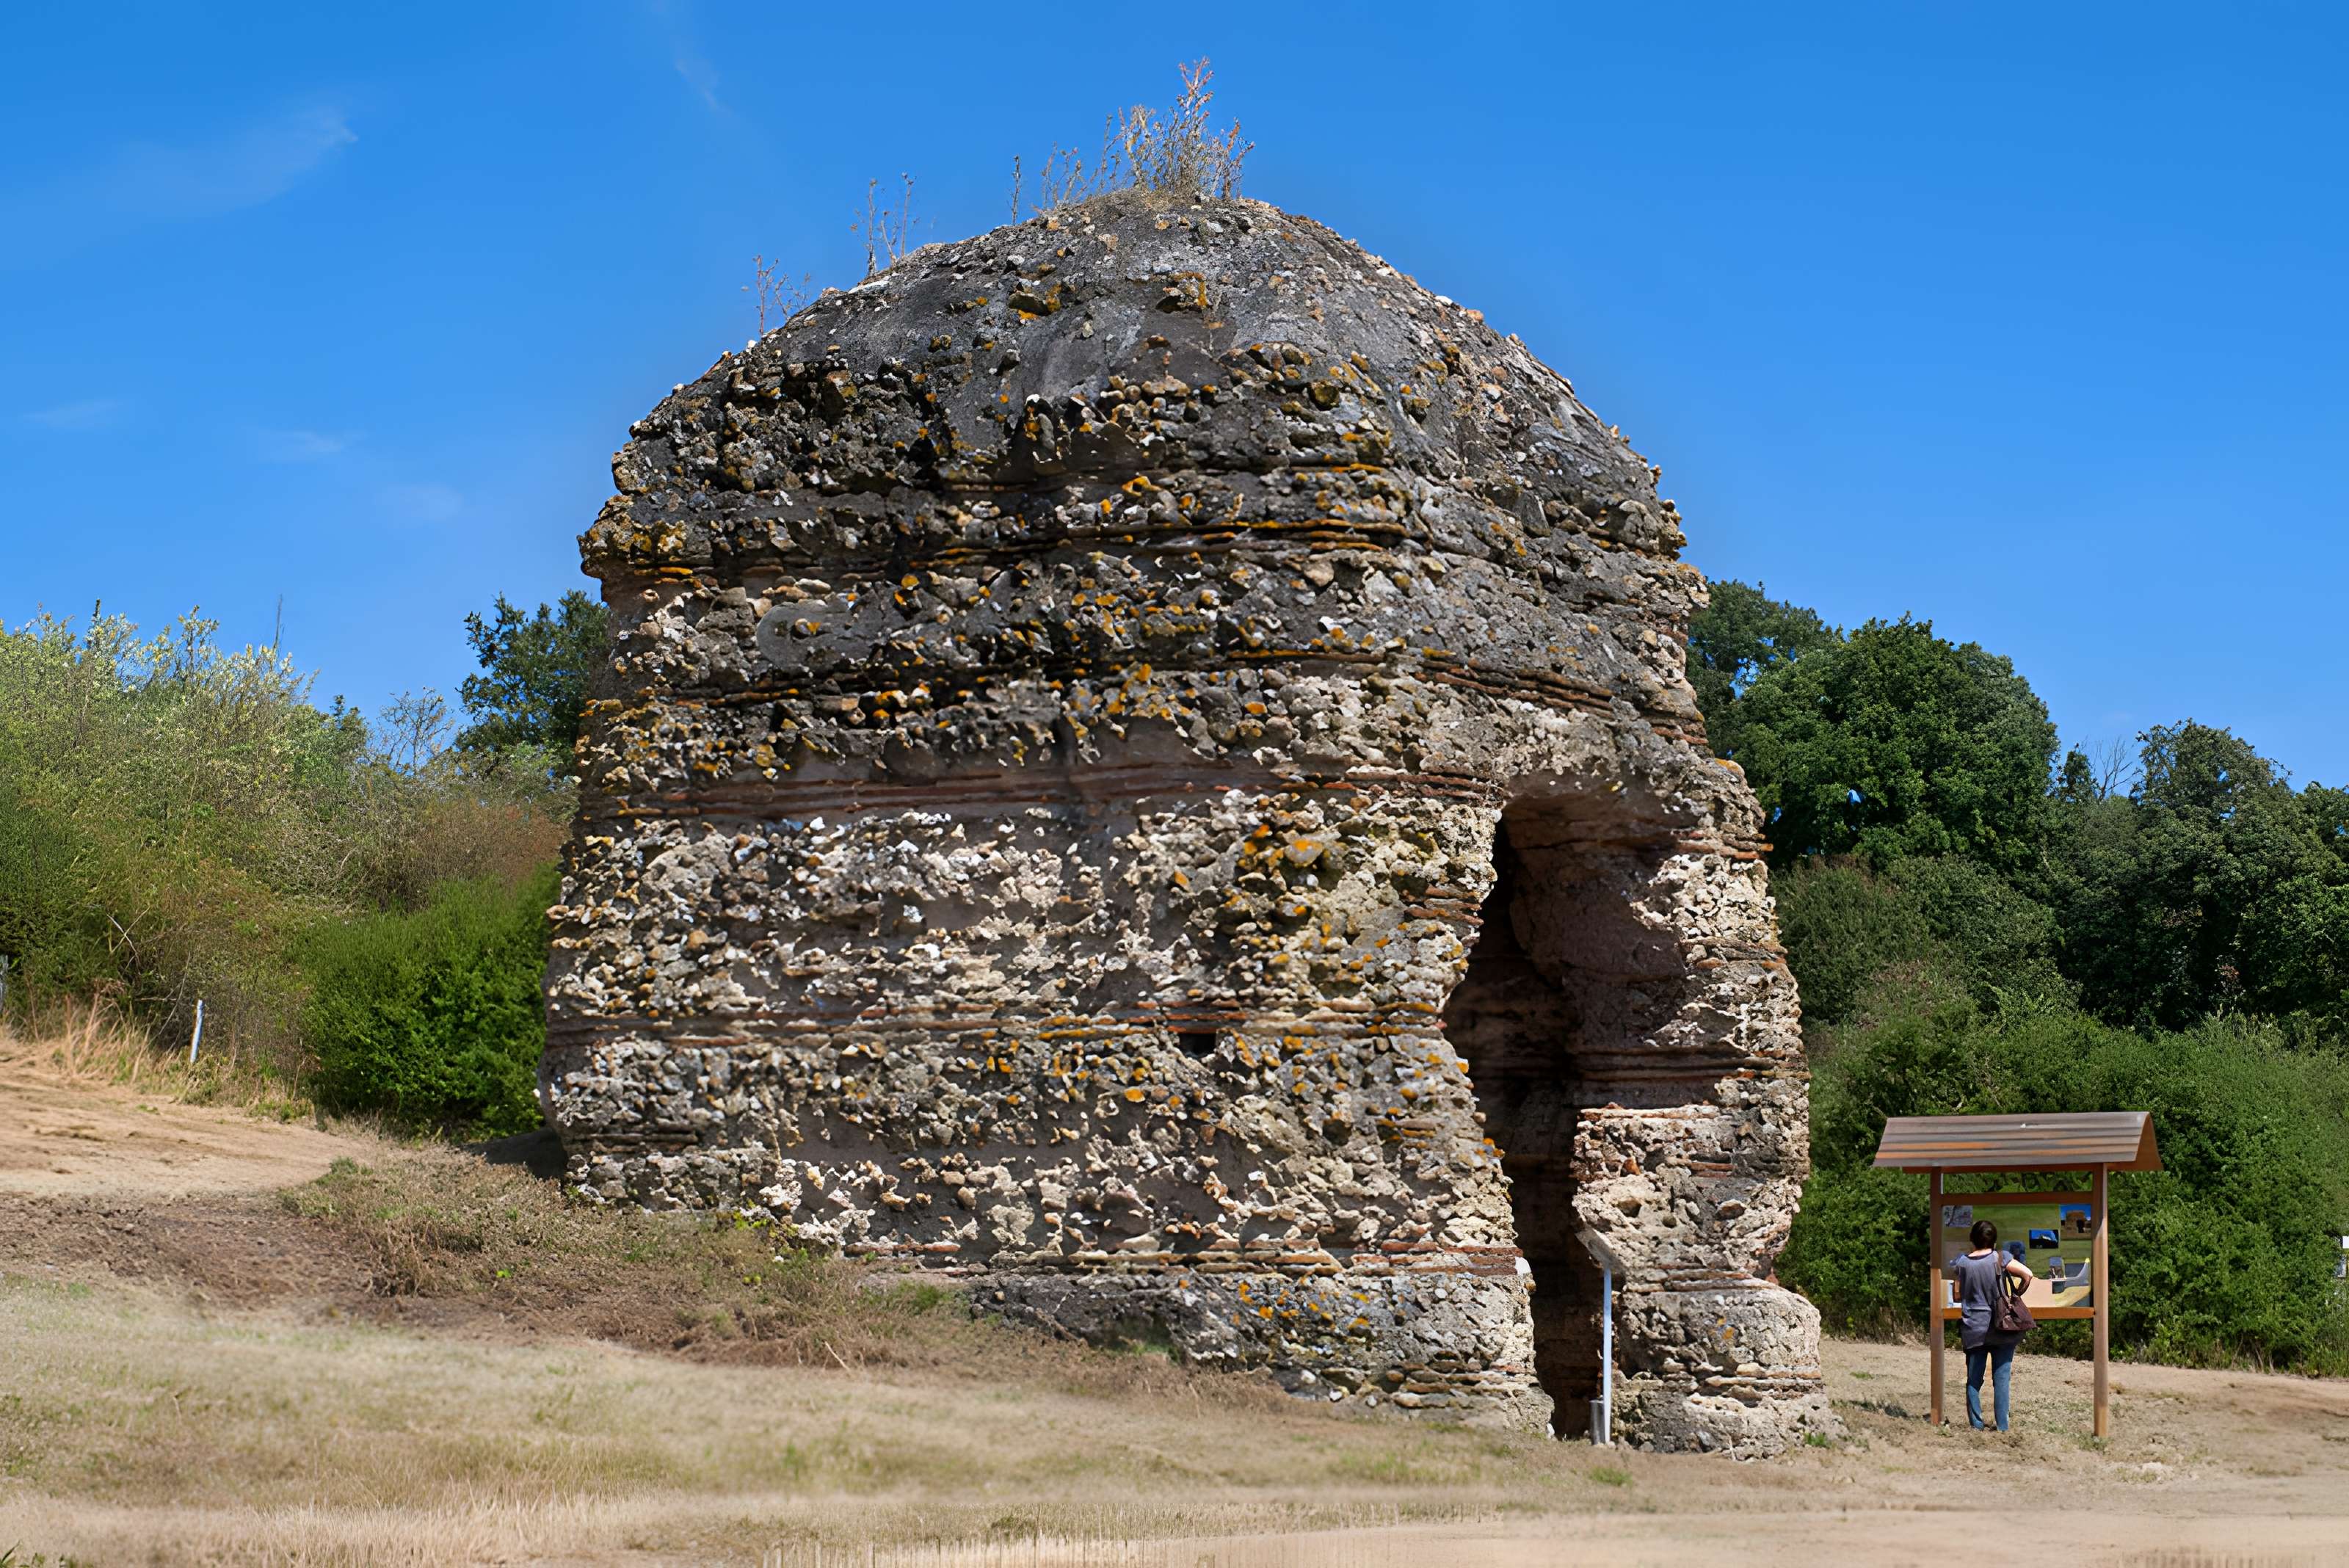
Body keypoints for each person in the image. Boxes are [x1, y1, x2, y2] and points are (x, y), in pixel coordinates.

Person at [1949, 1217, 2034, 1431]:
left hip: (1973, 1328)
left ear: (1972, 1240)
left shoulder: (1962, 1263)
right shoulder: (2001, 1258)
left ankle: (1977, 1425)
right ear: (1994, 1241)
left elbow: (1957, 1295)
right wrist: (2016, 1294)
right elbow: (2028, 1275)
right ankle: (2003, 1427)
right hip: (2001, 1326)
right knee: (2002, 1379)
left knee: (1974, 1379)